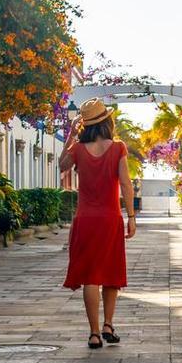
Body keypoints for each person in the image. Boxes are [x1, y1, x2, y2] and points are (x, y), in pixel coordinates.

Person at [58, 98, 136, 349]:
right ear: (107, 122)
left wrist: (71, 134)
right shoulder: (118, 148)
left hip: (85, 220)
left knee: (91, 276)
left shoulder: (78, 149)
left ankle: (93, 333)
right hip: (110, 219)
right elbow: (126, 184)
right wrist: (131, 217)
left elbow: (61, 166)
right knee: (111, 273)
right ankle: (108, 325)